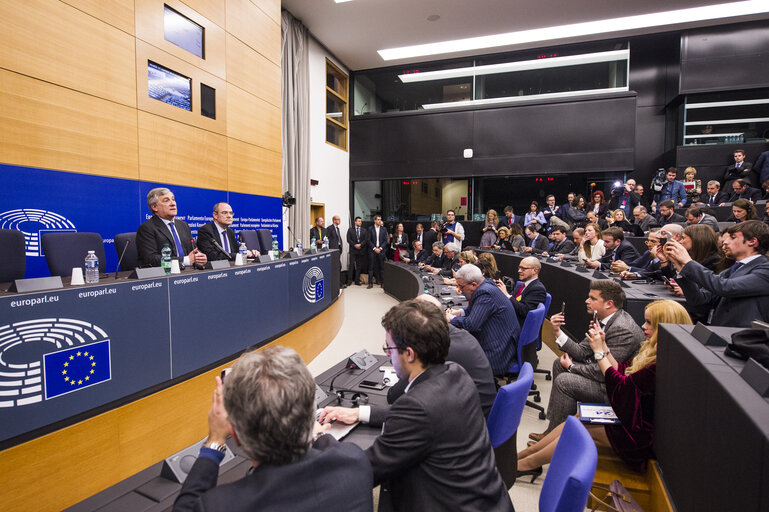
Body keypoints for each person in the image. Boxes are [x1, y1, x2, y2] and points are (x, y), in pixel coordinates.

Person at [322, 299, 514, 512]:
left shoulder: (416, 406)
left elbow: (365, 470)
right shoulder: (456, 372)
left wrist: (320, 438)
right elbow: (425, 417)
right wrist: (361, 412)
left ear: (410, 354)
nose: (388, 355)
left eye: (390, 348)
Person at [172, 346, 373, 512]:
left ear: (236, 434)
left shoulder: (220, 505)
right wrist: (310, 427)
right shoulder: (355, 462)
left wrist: (215, 441)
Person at [518, 300, 692, 478]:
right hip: (632, 417)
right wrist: (604, 346)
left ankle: (529, 464)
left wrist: (599, 353)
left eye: (649, 323)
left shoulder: (661, 362)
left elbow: (622, 389)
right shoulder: (656, 351)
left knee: (581, 427)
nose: (643, 326)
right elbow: (623, 370)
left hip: (639, 436)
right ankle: (525, 456)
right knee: (579, 416)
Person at [322, 294, 497, 421]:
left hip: (467, 422)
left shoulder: (440, 352)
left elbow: (397, 400)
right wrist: (361, 413)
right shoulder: (460, 337)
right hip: (474, 416)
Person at [529, 280, 644, 440]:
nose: (586, 301)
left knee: (565, 381)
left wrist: (571, 367)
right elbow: (582, 351)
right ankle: (554, 430)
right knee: (558, 364)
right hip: (605, 377)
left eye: (592, 298)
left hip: (616, 391)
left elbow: (604, 374)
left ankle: (558, 437)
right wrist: (556, 331)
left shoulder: (622, 329)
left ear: (609, 303)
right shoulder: (603, 320)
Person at [666, 220, 769, 327]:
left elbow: (725, 287)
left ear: (752, 241)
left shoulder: (765, 270)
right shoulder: (730, 271)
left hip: (746, 338)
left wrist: (688, 262)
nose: (725, 242)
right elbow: (699, 300)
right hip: (723, 333)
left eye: (733, 237)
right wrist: (680, 267)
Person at [448, 264, 521, 375]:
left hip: (498, 350)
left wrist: (451, 319)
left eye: (461, 286)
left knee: (454, 354)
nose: (460, 289)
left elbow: (472, 325)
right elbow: (478, 308)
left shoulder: (485, 293)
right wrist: (459, 312)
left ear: (473, 284)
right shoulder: (486, 284)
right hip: (501, 339)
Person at [136, 187, 208, 269]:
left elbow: (193, 250)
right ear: (155, 207)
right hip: (164, 275)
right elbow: (151, 259)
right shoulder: (147, 228)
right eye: (166, 200)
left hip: (188, 273)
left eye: (173, 199)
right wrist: (185, 260)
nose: (173, 203)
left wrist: (200, 257)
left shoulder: (183, 225)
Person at [495, 256, 547, 326]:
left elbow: (525, 311)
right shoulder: (521, 285)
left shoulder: (538, 289)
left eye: (523, 268)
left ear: (535, 271)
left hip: (515, 326)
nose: (519, 271)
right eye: (519, 268)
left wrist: (507, 295)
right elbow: (513, 301)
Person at [367, 215, 388, 288]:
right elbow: (368, 240)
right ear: (375, 220)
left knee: (382, 267)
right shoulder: (370, 229)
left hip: (381, 250)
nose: (379, 221)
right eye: (378, 219)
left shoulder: (384, 229)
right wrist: (374, 248)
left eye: (380, 219)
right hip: (372, 250)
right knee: (371, 267)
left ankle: (383, 283)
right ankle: (370, 283)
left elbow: (386, 240)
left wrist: (380, 248)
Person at [347, 216, 366, 286]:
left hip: (360, 250)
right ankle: (349, 281)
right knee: (351, 265)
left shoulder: (364, 230)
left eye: (361, 221)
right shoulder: (350, 230)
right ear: (355, 222)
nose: (360, 222)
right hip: (353, 250)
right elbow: (348, 239)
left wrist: (360, 245)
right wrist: (354, 245)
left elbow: (366, 240)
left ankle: (357, 281)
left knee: (359, 266)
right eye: (359, 221)